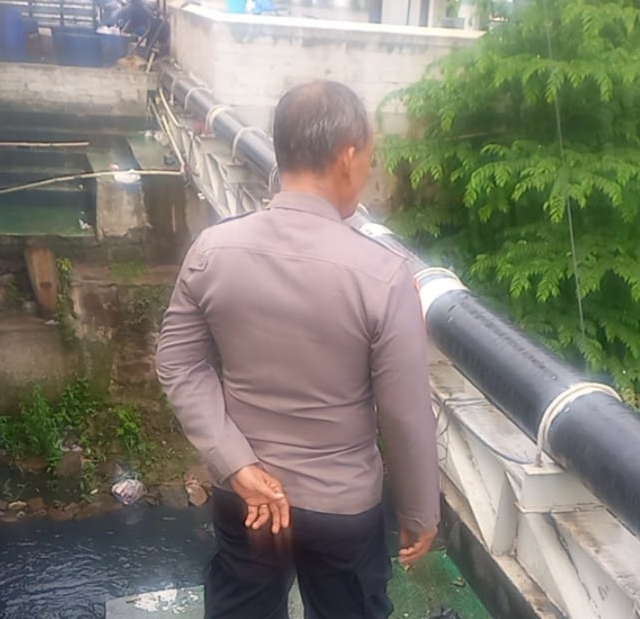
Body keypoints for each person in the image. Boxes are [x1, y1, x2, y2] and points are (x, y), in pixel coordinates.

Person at [156, 80, 440, 619]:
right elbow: (404, 415)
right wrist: (420, 511)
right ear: (348, 156)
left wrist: (234, 463)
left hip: (247, 497)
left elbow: (178, 362)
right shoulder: (384, 275)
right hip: (343, 507)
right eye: (369, 157)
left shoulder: (212, 250)